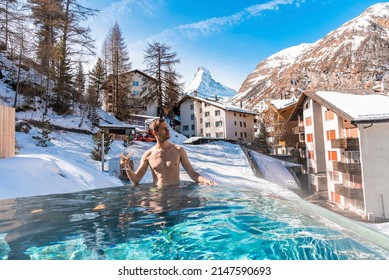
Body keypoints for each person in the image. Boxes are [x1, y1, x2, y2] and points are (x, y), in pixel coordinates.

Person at [120, 118, 217, 187]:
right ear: (155, 133)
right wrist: (127, 167)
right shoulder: (148, 155)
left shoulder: (178, 150)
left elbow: (192, 173)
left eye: (167, 127)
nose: (168, 130)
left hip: (175, 194)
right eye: (164, 128)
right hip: (157, 196)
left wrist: (205, 180)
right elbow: (136, 180)